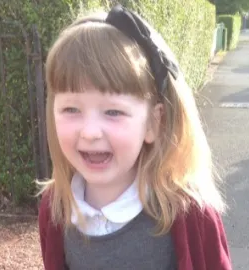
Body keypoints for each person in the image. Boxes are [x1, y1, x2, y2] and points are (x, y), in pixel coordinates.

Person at [37, 4, 231, 270]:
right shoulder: (57, 208)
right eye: (71, 109)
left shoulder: (190, 215)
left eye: (113, 112)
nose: (90, 132)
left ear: (153, 121)